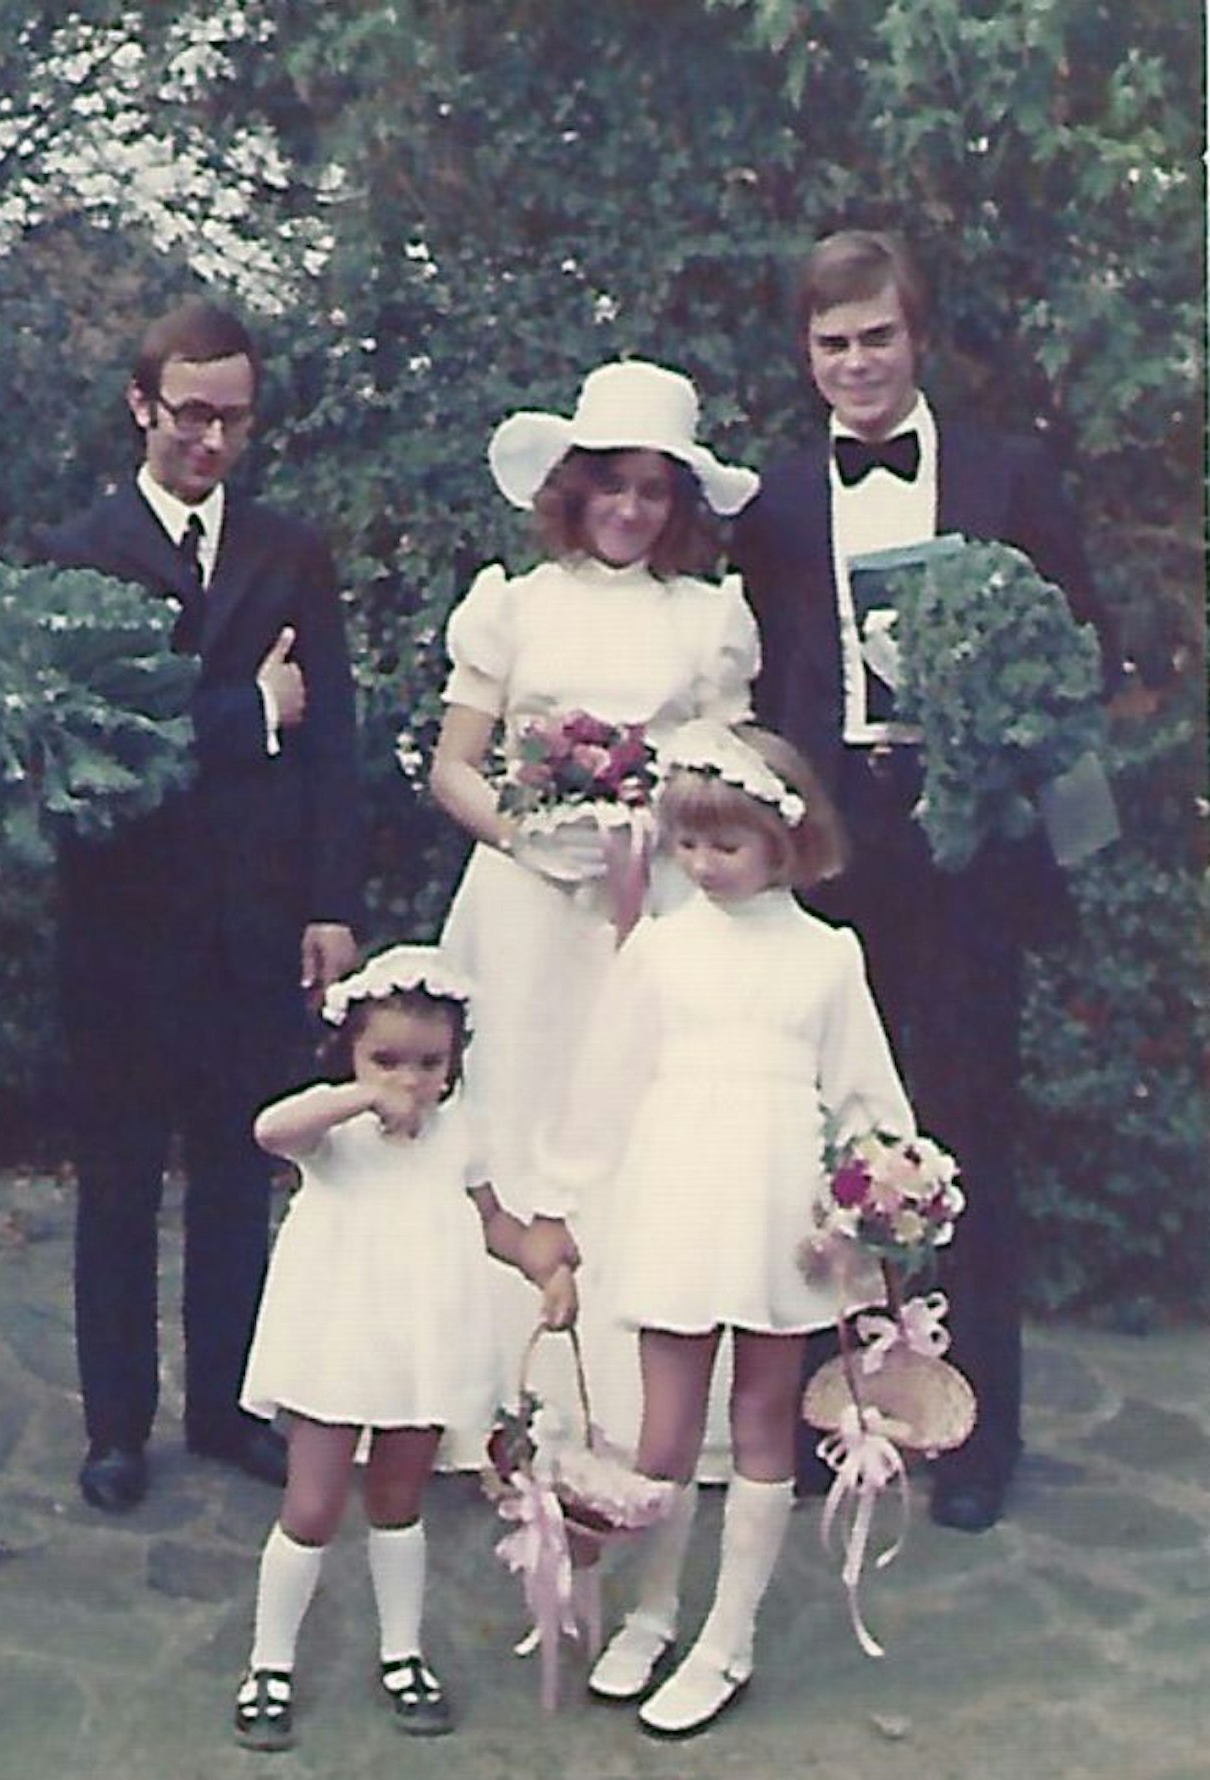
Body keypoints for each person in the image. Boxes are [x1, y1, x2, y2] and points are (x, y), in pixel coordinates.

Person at [731, 229, 1114, 1532]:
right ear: (807, 355)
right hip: (830, 851)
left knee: (963, 1137)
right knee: (822, 1133)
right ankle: (832, 1416)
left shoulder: (1010, 476)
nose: (855, 365)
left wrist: (1029, 778)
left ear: (918, 337)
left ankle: (981, 1430)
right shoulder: (779, 502)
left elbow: (1081, 653)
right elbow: (760, 677)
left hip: (967, 854)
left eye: (876, 338)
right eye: (831, 345)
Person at [42, 299, 365, 1513]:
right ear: (141, 406)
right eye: (191, 416)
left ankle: (227, 1404)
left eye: (234, 418)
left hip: (254, 910)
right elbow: (89, 740)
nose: (213, 442)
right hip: (122, 915)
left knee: (240, 1172)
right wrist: (243, 714)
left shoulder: (291, 552)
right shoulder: (78, 552)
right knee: (120, 1176)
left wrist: (330, 904)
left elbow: (329, 736)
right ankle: (115, 1426)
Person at [532, 723, 912, 1737]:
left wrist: (874, 1191)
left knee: (758, 1415)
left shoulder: (826, 957)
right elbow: (606, 1079)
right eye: (686, 845)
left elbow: (866, 1096)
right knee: (661, 1431)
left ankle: (724, 1633)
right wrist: (561, 1204)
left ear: (783, 842)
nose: (700, 865)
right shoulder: (660, 946)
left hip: (778, 1208)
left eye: (725, 847)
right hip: (677, 1192)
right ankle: (654, 1608)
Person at [428, 359, 760, 1461]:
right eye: (609, 484)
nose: (627, 509)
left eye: (651, 491)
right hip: (525, 906)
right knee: (515, 1115)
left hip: (651, 905)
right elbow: (454, 769)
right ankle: (499, 1396)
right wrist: (528, 831)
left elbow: (727, 777)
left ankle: (632, 1409)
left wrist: (650, 825)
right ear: (571, 487)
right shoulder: (513, 604)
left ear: (676, 507)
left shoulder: (705, 619)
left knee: (633, 1123)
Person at [229, 947, 575, 1752]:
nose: (407, 1079)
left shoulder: (459, 1134)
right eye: (385, 1058)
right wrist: (359, 1098)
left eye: (428, 1063)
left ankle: (403, 1653)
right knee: (311, 1506)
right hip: (342, 1335)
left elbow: (495, 1224)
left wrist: (546, 1267)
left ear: (453, 1063)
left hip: (423, 1337)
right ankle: (268, 1663)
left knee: (398, 1500)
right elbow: (268, 1130)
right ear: (348, 1053)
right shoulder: (333, 1128)